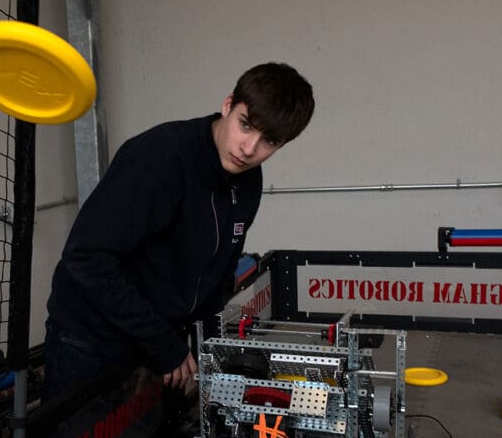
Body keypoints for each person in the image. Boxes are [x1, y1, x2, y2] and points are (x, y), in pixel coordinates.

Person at [42, 62, 315, 402]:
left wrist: (206, 351)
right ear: (228, 105)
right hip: (90, 339)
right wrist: (163, 343)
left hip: (153, 340)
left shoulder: (248, 180)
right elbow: (85, 258)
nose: (249, 149)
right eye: (245, 125)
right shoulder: (159, 159)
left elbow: (219, 271)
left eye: (268, 141)